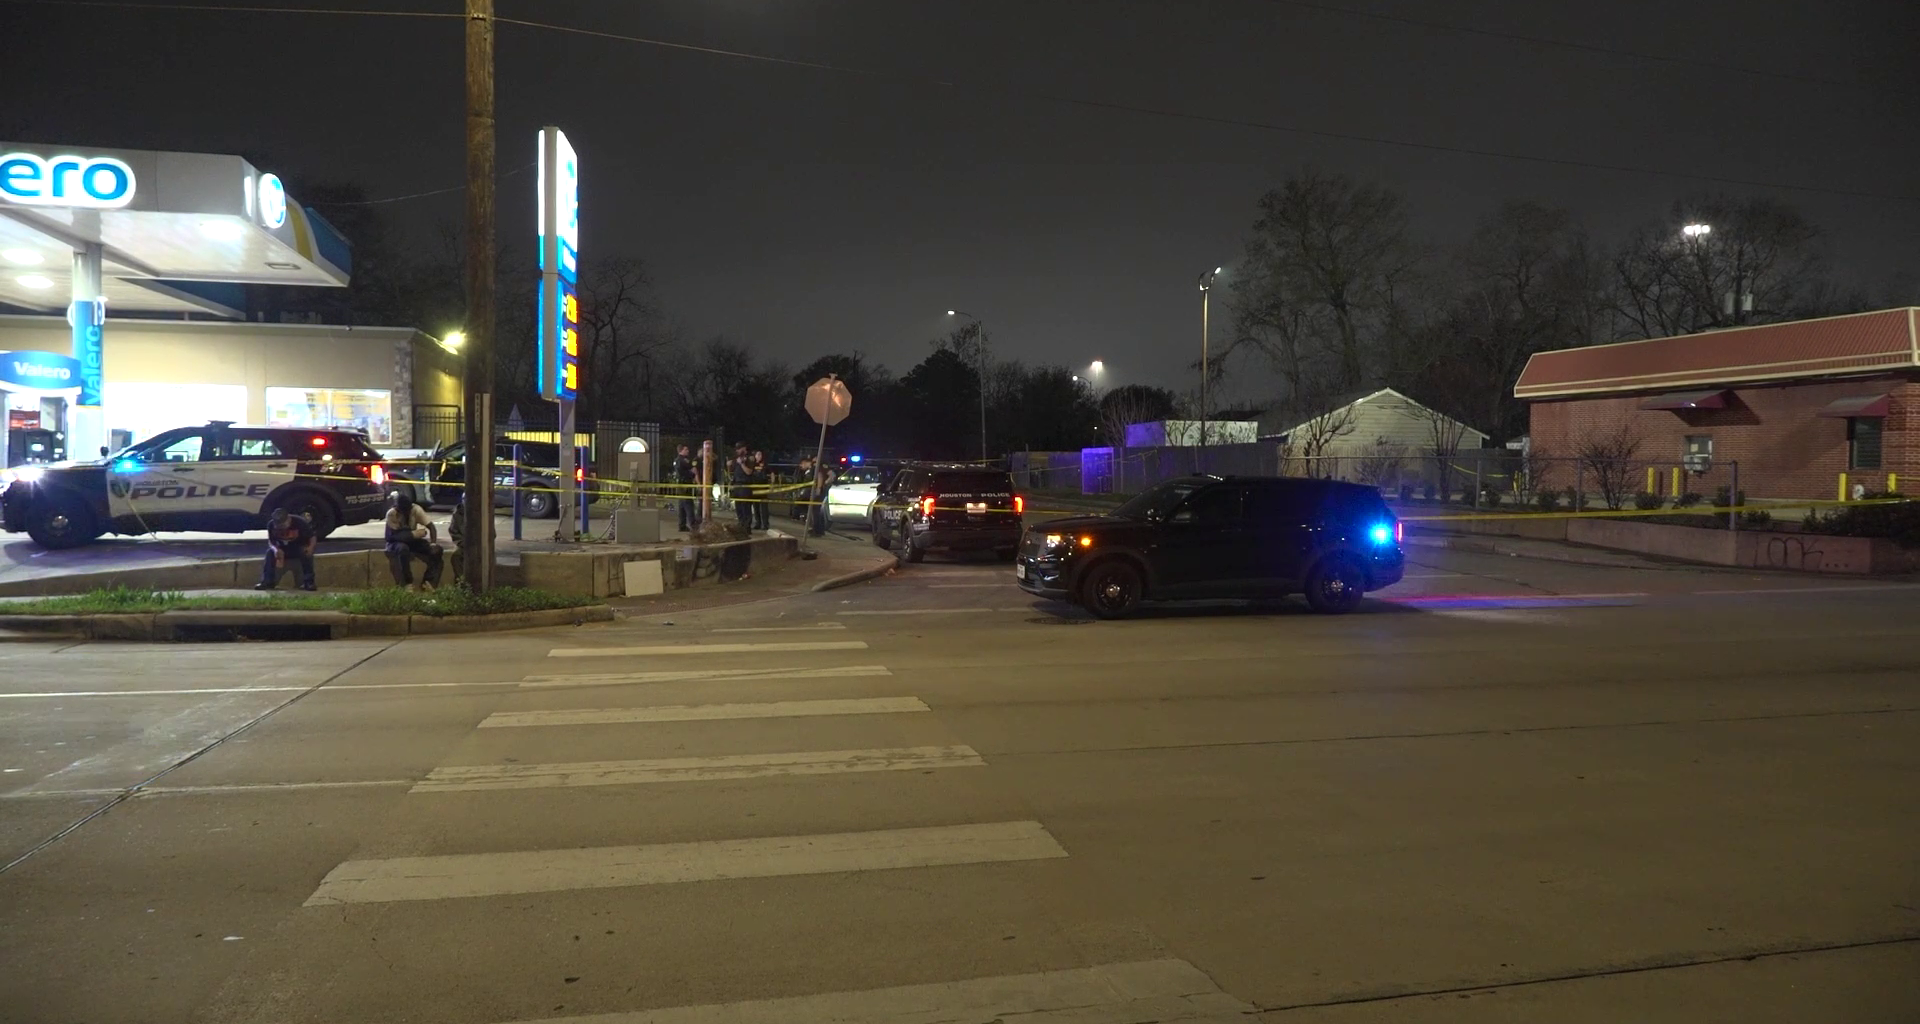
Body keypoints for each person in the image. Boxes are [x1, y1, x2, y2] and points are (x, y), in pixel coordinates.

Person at [383, 490, 444, 591]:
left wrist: (433, 543)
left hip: (411, 540)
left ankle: (429, 581)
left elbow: (431, 527)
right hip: (396, 542)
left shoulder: (416, 510)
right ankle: (407, 582)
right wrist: (413, 534)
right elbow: (390, 537)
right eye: (400, 510)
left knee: (437, 550)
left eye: (406, 510)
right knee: (403, 549)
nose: (403, 513)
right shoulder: (392, 514)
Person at [255, 508, 317, 591]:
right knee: (269, 553)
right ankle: (267, 581)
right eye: (278, 526)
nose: (281, 528)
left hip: (298, 547)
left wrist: (310, 548)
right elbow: (271, 541)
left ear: (288, 519)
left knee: (306, 554)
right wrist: (275, 550)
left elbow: (312, 537)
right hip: (282, 549)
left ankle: (309, 582)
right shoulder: (271, 525)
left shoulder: (300, 522)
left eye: (282, 525)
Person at [447, 493, 494, 585]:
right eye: (464, 500)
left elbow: (492, 533)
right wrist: (463, 544)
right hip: (464, 545)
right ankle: (461, 583)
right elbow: (454, 531)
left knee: (484, 557)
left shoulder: (483, 513)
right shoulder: (458, 514)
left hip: (481, 545)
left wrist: (480, 544)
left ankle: (483, 583)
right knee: (456, 556)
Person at [671, 443, 699, 533]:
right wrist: (692, 473)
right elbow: (691, 470)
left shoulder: (676, 460)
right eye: (686, 449)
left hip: (680, 485)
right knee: (689, 504)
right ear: (681, 450)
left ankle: (682, 525)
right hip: (685, 485)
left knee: (682, 506)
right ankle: (693, 525)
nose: (688, 451)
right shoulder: (683, 460)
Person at [729, 444, 755, 532]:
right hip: (737, 485)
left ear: (744, 448)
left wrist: (742, 464)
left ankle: (747, 527)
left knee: (745, 507)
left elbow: (749, 472)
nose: (737, 451)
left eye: (739, 449)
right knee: (738, 507)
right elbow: (733, 472)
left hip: (745, 485)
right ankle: (740, 525)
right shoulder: (736, 459)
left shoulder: (750, 459)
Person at [750, 450, 772, 530]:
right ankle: (757, 523)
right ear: (755, 456)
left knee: (764, 508)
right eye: (758, 454)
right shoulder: (752, 464)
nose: (759, 456)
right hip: (754, 489)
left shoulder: (765, 465)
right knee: (756, 507)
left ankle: (765, 524)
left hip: (763, 489)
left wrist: (772, 484)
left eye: (761, 455)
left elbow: (772, 473)